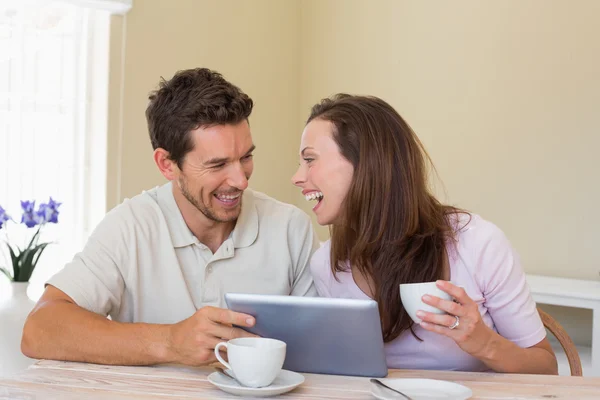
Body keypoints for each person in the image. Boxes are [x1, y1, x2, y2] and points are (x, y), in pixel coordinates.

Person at [21, 68, 318, 366]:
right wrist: (169, 342)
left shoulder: (291, 229)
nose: (240, 180)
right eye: (217, 165)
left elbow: (324, 349)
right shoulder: (130, 227)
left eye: (246, 157)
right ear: (167, 164)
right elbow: (40, 330)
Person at [292, 94, 558, 374]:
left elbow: (546, 368)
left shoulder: (477, 243)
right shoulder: (325, 265)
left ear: (368, 163)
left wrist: (484, 343)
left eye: (310, 159)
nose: (297, 177)